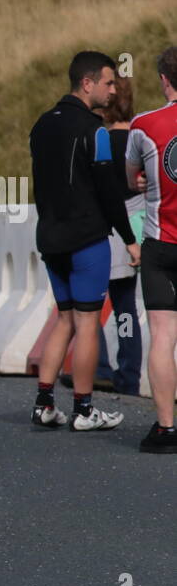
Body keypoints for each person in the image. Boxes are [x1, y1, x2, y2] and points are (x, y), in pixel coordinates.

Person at [28, 51, 137, 431]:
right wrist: (130, 238)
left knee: (64, 320)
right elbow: (109, 192)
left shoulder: (40, 125)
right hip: (86, 237)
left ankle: (44, 403)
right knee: (88, 323)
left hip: (50, 237)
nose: (113, 90)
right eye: (108, 82)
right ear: (86, 83)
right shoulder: (97, 132)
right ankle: (85, 410)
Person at [125, 46, 177, 451]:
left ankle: (165, 428)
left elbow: (132, 179)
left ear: (164, 80)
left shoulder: (143, 125)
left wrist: (144, 181)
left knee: (163, 336)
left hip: (161, 245)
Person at [88, 76, 145, 395]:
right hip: (137, 231)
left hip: (106, 231)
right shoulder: (140, 139)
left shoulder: (101, 142)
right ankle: (129, 374)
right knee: (126, 308)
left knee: (89, 304)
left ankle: (98, 366)